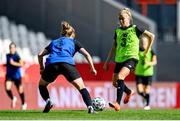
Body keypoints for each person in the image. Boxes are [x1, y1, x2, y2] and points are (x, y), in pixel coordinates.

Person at [38, 21, 97, 113]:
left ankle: (48, 101)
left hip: (52, 64)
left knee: (42, 85)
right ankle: (90, 107)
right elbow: (87, 55)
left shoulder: (54, 42)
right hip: (66, 64)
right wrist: (92, 68)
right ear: (72, 34)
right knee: (81, 87)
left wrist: (41, 68)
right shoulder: (74, 42)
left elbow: (40, 54)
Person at [103, 8, 155, 111]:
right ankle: (129, 92)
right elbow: (113, 47)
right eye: (119, 19)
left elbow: (151, 36)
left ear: (129, 18)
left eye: (123, 18)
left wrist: (147, 50)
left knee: (120, 76)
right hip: (119, 59)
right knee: (114, 83)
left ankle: (117, 103)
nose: (121, 21)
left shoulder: (135, 29)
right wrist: (107, 62)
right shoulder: (117, 31)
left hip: (131, 58)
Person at [135, 35, 157, 110]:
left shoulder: (151, 51)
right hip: (139, 73)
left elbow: (154, 62)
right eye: (142, 42)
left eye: (145, 42)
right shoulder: (137, 51)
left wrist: (148, 63)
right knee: (139, 90)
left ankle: (147, 105)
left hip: (148, 74)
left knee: (147, 90)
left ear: (148, 43)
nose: (143, 43)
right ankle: (145, 97)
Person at [5, 42, 27, 110]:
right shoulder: (7, 55)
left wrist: (13, 63)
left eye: (13, 47)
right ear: (9, 48)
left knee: (20, 91)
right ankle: (13, 98)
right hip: (9, 75)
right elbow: (9, 63)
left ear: (15, 48)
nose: (12, 49)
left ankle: (23, 104)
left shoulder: (17, 56)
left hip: (17, 76)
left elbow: (21, 64)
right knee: (7, 88)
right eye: (11, 48)